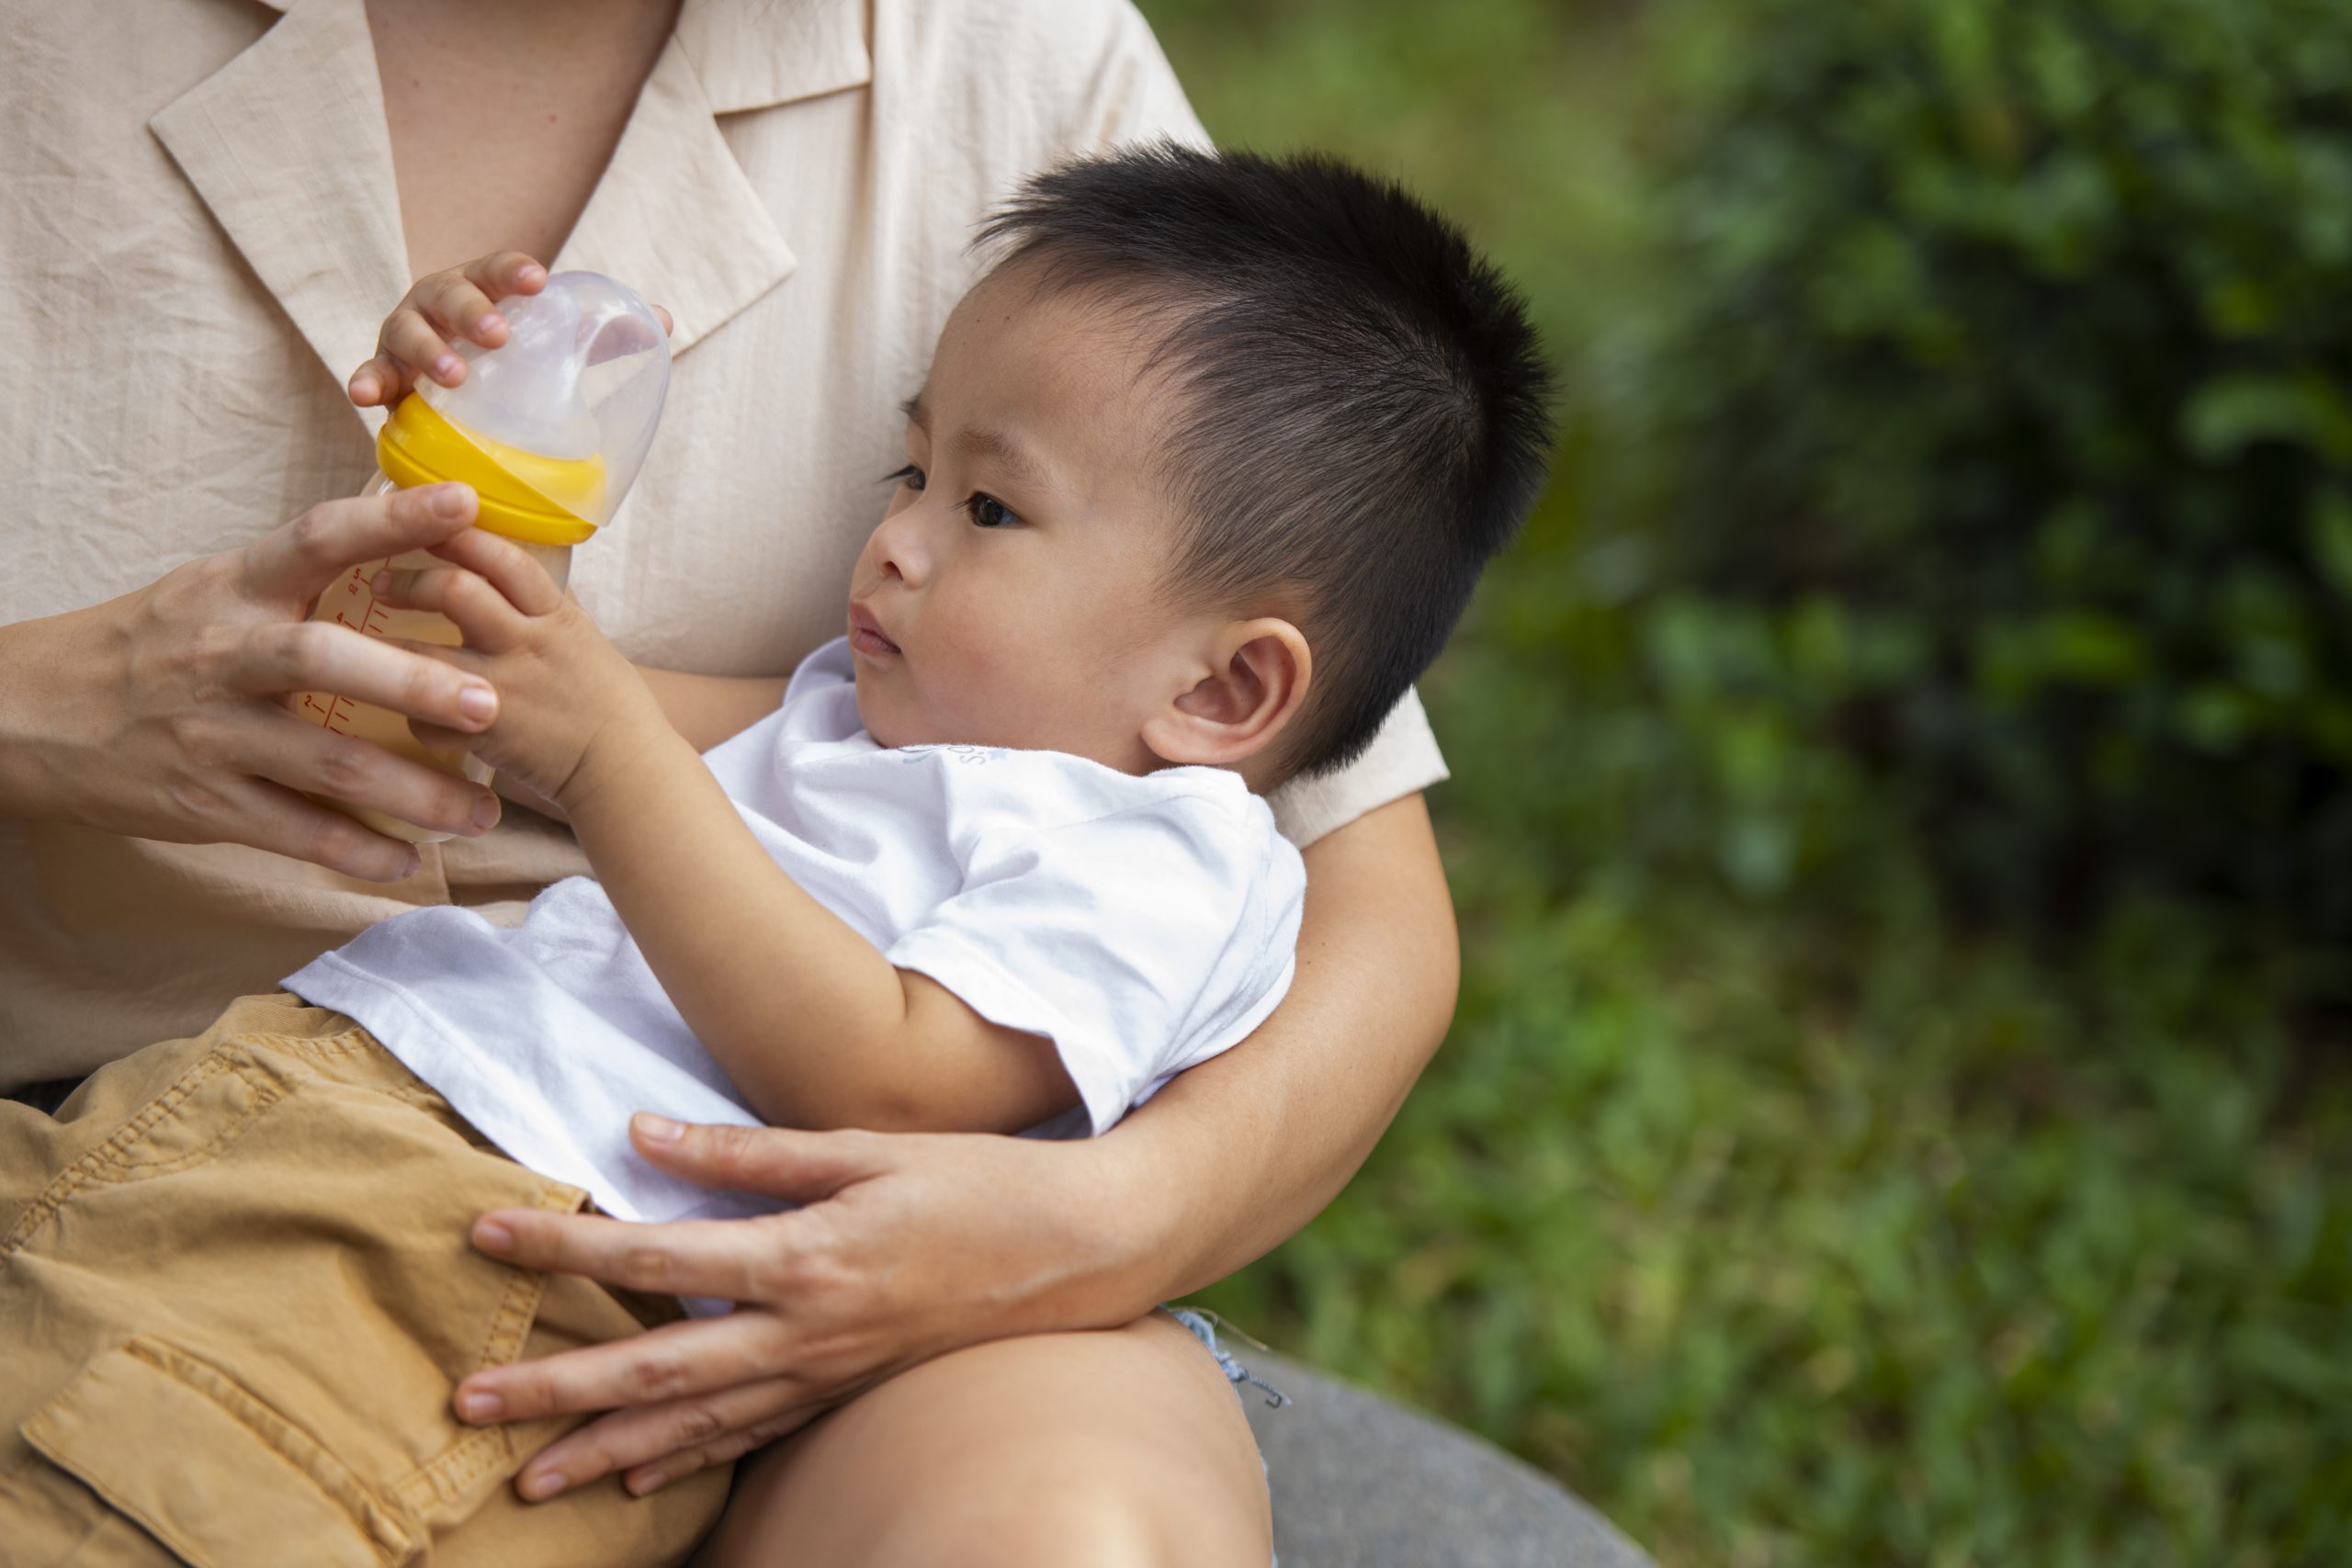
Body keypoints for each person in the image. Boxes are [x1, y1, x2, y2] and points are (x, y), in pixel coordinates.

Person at [0, 1, 1469, 1556]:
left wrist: (1104, 1225)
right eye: (911, 476)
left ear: (1229, 688)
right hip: (250, 1094)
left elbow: (889, 1075)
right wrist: (470, 449)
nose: (896, 536)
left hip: (517, 1242)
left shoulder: (1152, 861)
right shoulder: (870, 715)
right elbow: (504, 693)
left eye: (988, 507)